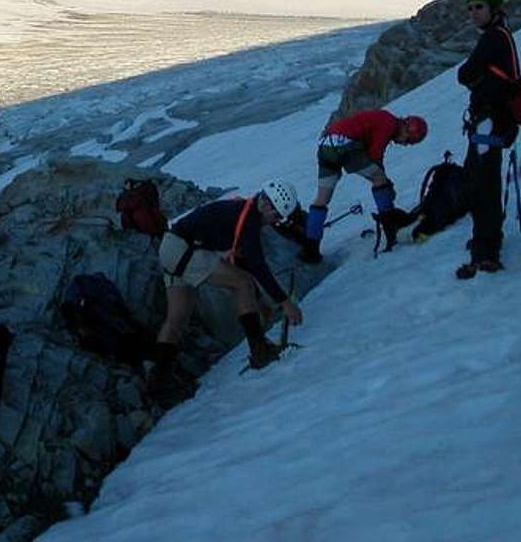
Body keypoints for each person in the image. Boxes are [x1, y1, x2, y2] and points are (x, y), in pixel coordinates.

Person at [148, 179, 305, 404]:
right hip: (183, 249)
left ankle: (158, 385)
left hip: (171, 248)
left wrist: (260, 300)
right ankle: (259, 350)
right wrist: (284, 302)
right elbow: (256, 266)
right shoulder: (250, 219)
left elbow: (244, 260)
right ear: (269, 206)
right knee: (241, 283)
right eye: (277, 216)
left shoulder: (244, 211)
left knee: (176, 320)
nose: (276, 222)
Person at [299, 110, 428, 264]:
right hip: (344, 143)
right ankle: (390, 227)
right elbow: (375, 156)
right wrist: (387, 185)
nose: (405, 144)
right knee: (379, 178)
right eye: (409, 140)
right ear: (407, 128)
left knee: (322, 199)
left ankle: (311, 249)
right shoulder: (389, 123)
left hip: (326, 145)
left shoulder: (385, 120)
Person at [455, 0, 519, 279]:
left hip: (490, 121)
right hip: (494, 121)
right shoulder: (500, 35)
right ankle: (488, 237)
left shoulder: (493, 38)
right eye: (470, 8)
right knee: (479, 179)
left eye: (478, 7)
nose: (473, 13)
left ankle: (486, 249)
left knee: (483, 184)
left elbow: (465, 72)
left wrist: (473, 77)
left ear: (494, 7)